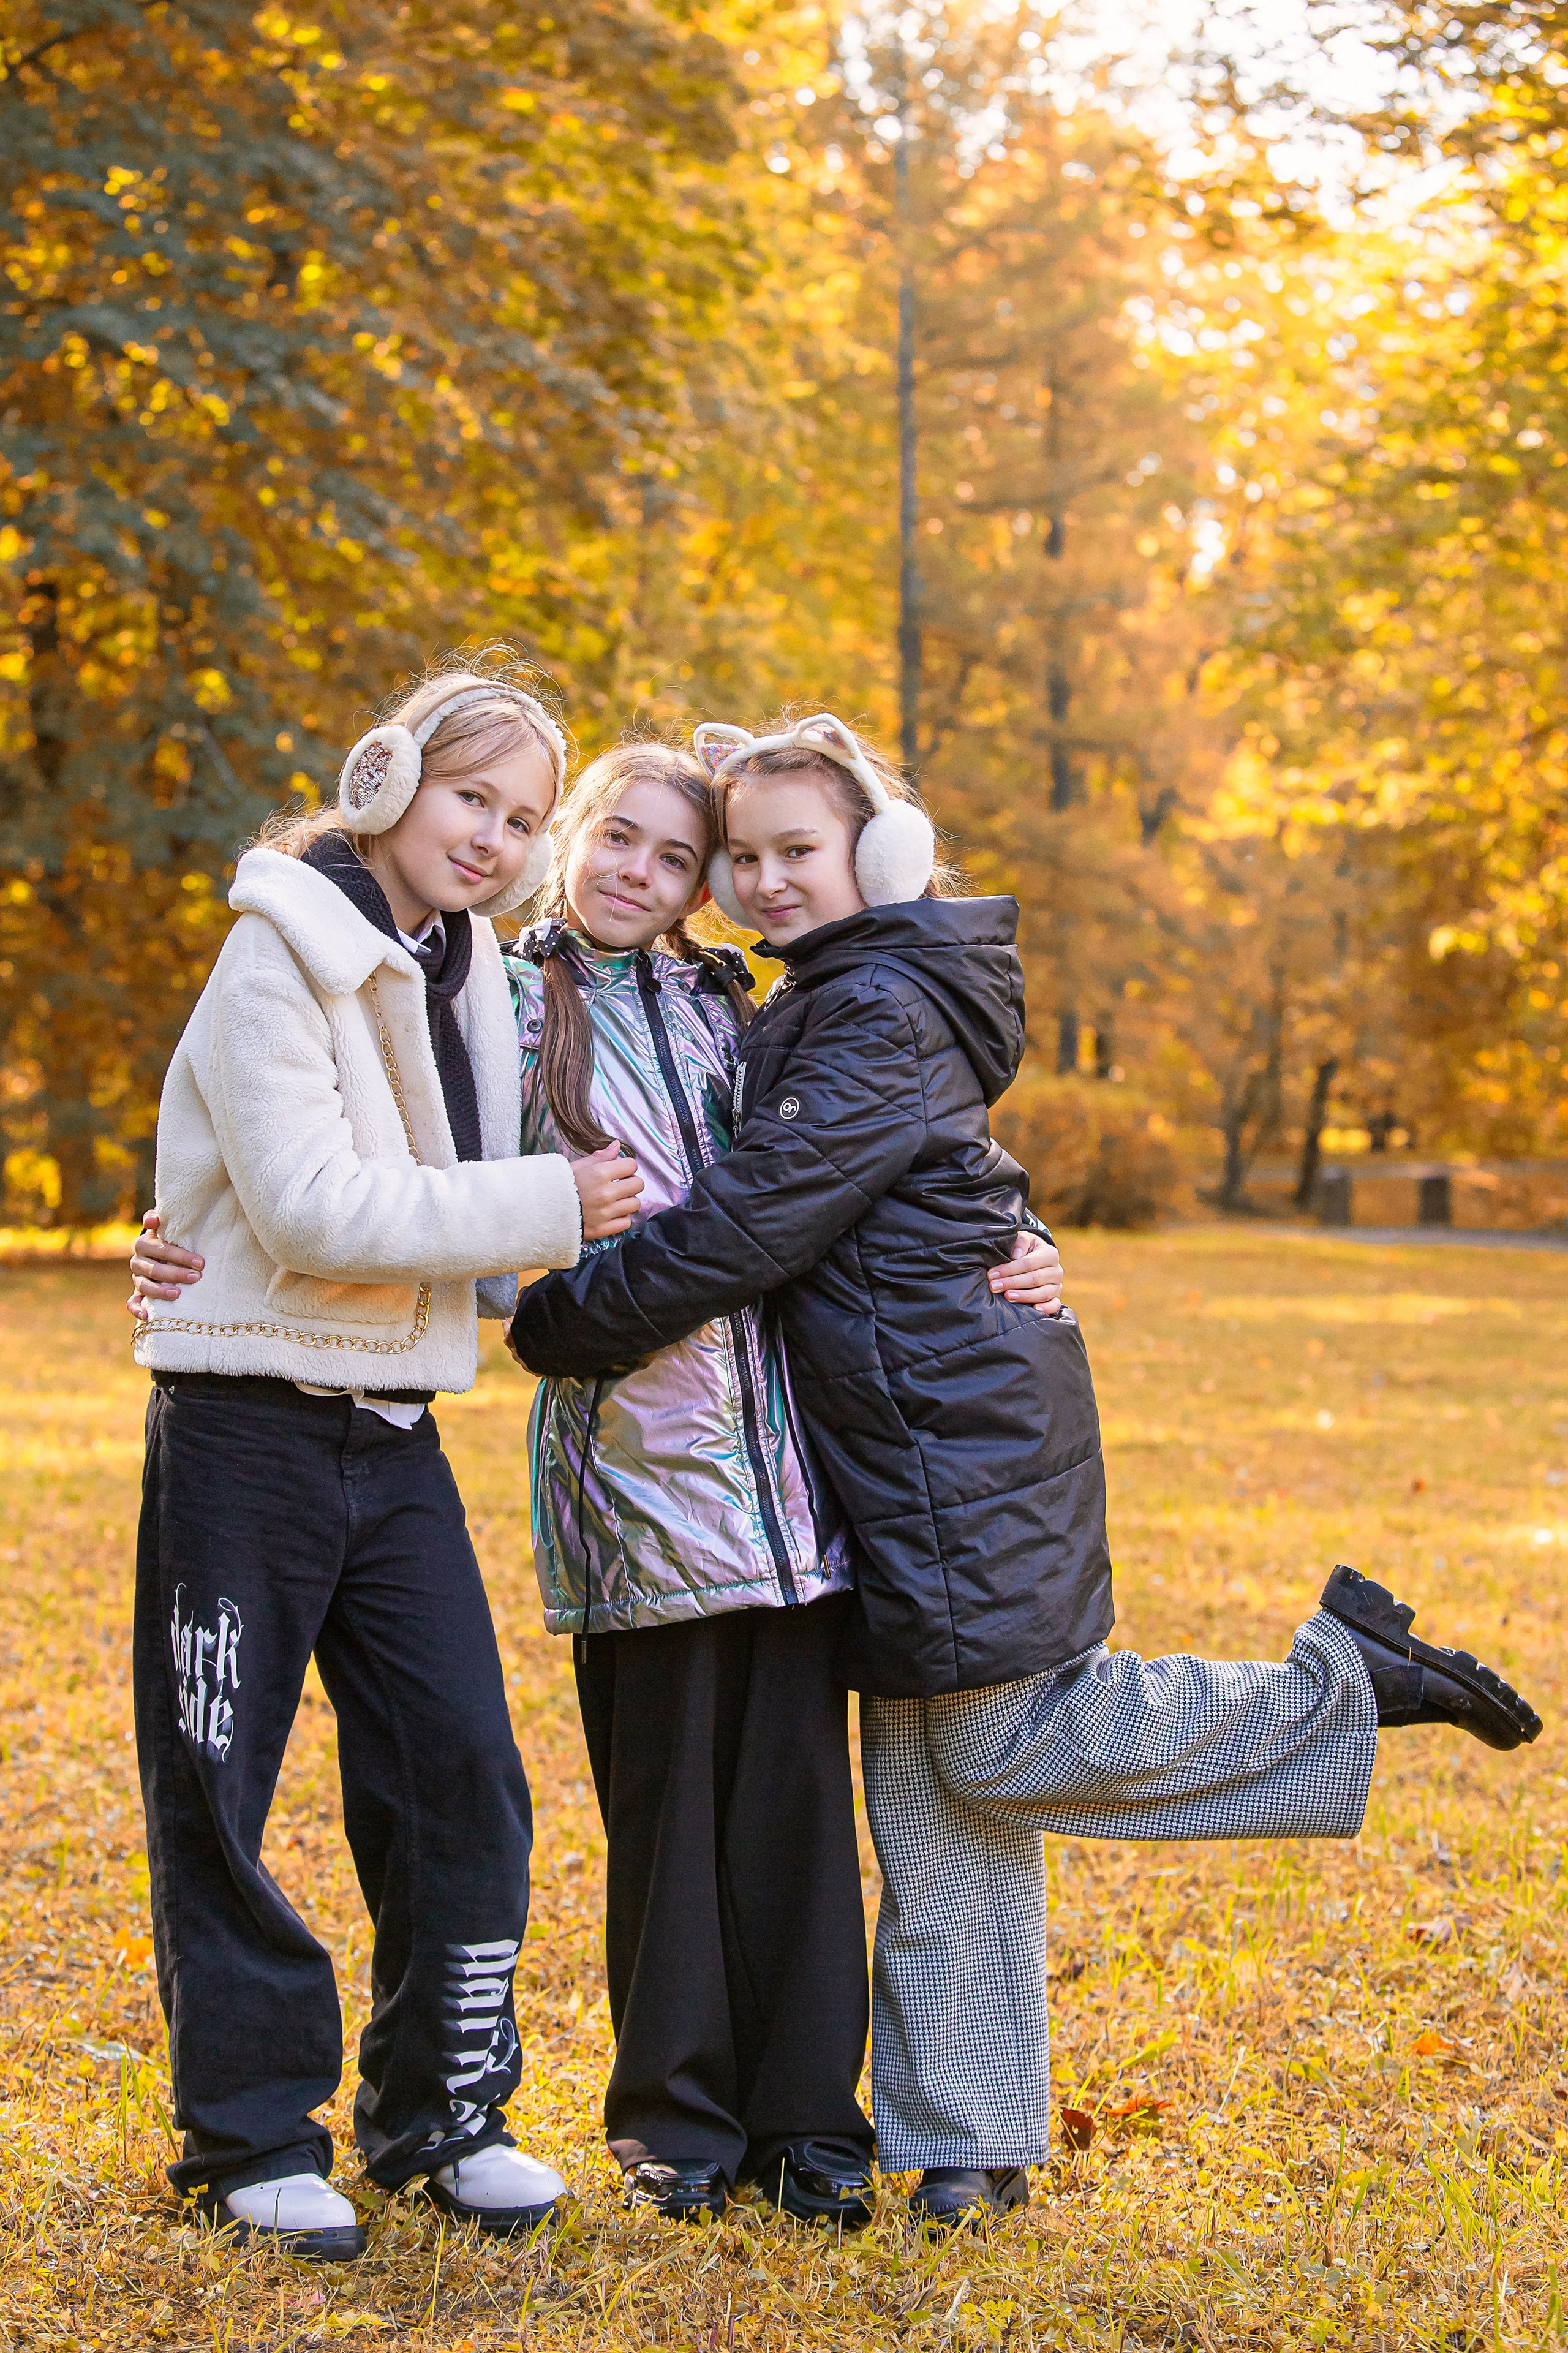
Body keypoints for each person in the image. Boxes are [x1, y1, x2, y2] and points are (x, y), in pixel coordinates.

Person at [507, 709, 1544, 2231]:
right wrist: (1020, 1227)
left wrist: (557, 1322)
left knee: (991, 1747)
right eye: (747, 856)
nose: (767, 879)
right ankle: (971, 2132)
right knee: (933, 1785)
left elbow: (755, 1219)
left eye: (796, 850)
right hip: (874, 1443)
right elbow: (930, 1177)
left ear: (879, 853)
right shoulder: (821, 989)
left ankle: (1340, 1683)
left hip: (948, 1432)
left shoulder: (869, 1003)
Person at [124, 657, 644, 2262]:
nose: (493, 836)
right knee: (218, 1777)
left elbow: (447, 1200)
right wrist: (551, 1205)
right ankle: (249, 2135)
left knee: (460, 1771)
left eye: (523, 818)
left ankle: (441, 2114)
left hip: (395, 1430)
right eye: (470, 795)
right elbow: (310, 1207)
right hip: (245, 1423)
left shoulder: (465, 962)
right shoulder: (277, 948)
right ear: (387, 778)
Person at [502, 738, 1060, 2225]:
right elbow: (419, 1171)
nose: (643, 871)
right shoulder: (501, 999)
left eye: (677, 857)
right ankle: (675, 2124)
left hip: (798, 1478)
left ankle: (809, 2123)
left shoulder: (737, 1002)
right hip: (638, 1474)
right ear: (571, 838)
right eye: (618, 838)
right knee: (666, 1820)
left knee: (798, 1824)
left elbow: (880, 1163)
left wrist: (1019, 1237)